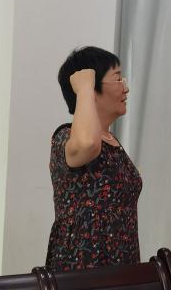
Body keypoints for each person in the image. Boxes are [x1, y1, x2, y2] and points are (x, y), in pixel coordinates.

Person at [45, 47, 142, 271]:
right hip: (82, 269)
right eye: (117, 79)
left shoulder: (111, 141)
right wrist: (84, 88)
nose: (126, 88)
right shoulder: (65, 137)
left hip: (121, 266)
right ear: (91, 89)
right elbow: (87, 144)